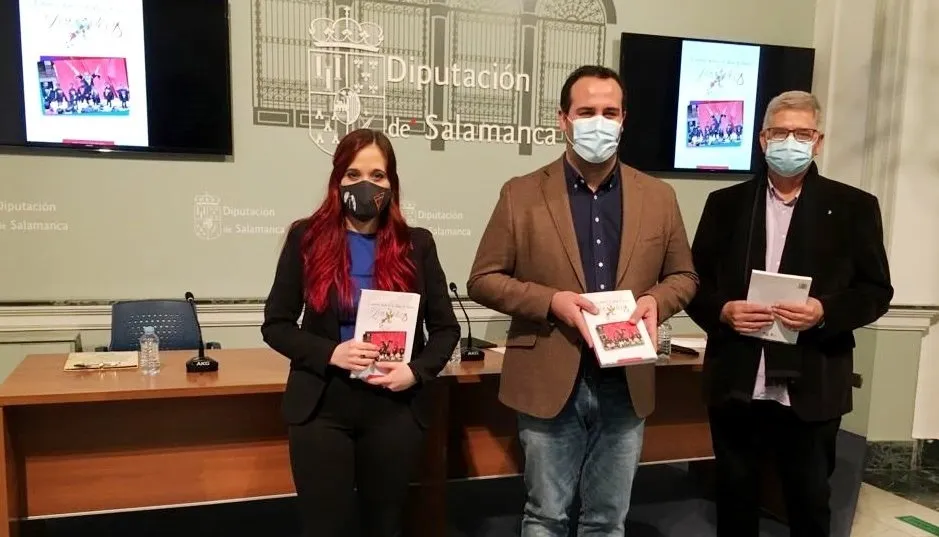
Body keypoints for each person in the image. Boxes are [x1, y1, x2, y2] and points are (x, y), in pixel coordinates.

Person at [467, 65, 699, 536]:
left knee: (608, 521)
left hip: (626, 379)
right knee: (546, 516)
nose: (599, 121)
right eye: (586, 111)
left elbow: (684, 275)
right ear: (563, 119)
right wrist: (551, 301)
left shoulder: (658, 196)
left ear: (624, 119)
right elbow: (484, 279)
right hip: (550, 376)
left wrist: (658, 300)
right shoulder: (521, 193)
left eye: (609, 112)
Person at [685, 90, 893, 537]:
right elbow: (692, 282)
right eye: (780, 132)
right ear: (762, 139)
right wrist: (723, 311)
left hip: (811, 381)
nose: (790, 142)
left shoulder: (855, 206)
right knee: (735, 501)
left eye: (802, 133)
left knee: (809, 502)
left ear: (818, 142)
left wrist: (824, 311)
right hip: (737, 379)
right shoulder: (725, 204)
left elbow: (876, 291)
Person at [261, 128, 460, 537]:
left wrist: (416, 372)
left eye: (377, 175)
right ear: (337, 182)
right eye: (353, 174)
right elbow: (276, 325)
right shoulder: (307, 238)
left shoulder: (416, 245)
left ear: (391, 183)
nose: (365, 185)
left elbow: (445, 330)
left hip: (393, 407)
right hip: (322, 404)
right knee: (325, 526)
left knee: (383, 526)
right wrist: (331, 352)